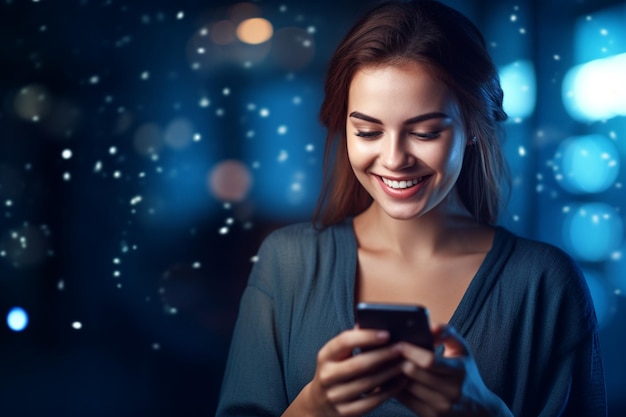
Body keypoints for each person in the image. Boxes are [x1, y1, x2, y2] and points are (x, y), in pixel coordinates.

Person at [215, 0, 607, 416]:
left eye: (424, 132)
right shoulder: (288, 263)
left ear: (474, 126)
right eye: (368, 131)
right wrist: (312, 408)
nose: (394, 158)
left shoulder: (543, 282)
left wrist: (483, 412)